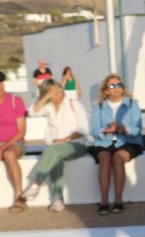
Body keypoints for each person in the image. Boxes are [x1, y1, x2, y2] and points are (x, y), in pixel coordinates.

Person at [20, 80, 90, 212]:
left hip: (76, 145)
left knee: (52, 150)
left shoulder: (73, 104)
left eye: (59, 90)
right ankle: (58, 200)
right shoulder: (48, 107)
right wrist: (46, 96)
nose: (58, 94)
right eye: (53, 92)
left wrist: (65, 139)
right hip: (55, 149)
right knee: (55, 156)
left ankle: (36, 183)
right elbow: (32, 112)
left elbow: (84, 129)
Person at [88, 74, 144, 214]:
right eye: (111, 86)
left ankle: (118, 201)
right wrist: (105, 131)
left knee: (118, 158)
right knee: (105, 158)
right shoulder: (99, 107)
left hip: (128, 141)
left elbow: (137, 129)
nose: (115, 88)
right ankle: (104, 202)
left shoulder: (132, 104)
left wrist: (121, 129)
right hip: (103, 142)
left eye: (118, 85)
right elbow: (94, 130)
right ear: (106, 90)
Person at [0, 71, 27, 212]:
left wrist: (3, 147)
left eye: (1, 82)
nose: (0, 85)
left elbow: (21, 131)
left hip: (15, 143)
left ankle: (19, 198)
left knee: (9, 154)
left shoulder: (15, 101)